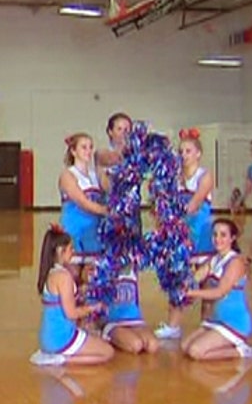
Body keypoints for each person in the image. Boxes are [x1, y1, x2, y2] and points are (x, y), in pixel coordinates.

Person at [155, 128, 215, 340]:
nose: (183, 155)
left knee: (207, 281)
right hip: (179, 237)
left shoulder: (205, 175)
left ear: (198, 153)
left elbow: (195, 203)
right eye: (181, 151)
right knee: (177, 279)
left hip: (202, 234)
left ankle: (208, 326)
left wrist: (173, 217)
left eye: (188, 151)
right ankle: (173, 325)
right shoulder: (174, 177)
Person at [29, 226, 114, 366]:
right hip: (61, 337)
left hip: (50, 336)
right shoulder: (63, 276)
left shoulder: (51, 273)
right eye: (70, 249)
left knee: (98, 341)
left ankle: (59, 356)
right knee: (107, 352)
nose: (73, 252)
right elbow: (71, 313)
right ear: (60, 252)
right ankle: (63, 359)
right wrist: (93, 307)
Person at [182, 219, 252, 360]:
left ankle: (242, 351)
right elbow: (194, 279)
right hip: (216, 320)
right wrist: (180, 279)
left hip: (234, 322)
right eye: (215, 235)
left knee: (195, 352)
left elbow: (220, 292)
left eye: (223, 235)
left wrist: (191, 293)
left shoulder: (236, 262)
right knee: (185, 346)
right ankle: (227, 344)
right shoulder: (214, 260)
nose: (217, 239)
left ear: (232, 238)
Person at [59, 133, 107, 268]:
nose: (88, 151)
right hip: (74, 232)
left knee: (93, 281)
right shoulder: (68, 175)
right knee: (73, 278)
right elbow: (83, 203)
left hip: (93, 234)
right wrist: (108, 211)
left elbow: (110, 190)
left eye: (90, 147)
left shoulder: (95, 174)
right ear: (73, 151)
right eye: (84, 147)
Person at [102, 266, 159, 354]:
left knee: (153, 345)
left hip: (135, 321)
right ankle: (111, 337)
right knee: (136, 345)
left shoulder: (133, 266)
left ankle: (127, 336)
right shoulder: (103, 265)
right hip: (114, 323)